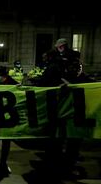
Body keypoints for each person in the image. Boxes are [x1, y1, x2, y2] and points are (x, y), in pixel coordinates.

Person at [39, 38, 89, 178]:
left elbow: (44, 83)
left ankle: (58, 165)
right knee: (67, 138)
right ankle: (62, 165)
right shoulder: (68, 66)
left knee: (61, 138)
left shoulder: (58, 66)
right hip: (71, 107)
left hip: (64, 107)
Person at [0, 65, 18, 177]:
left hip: (8, 117)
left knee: (6, 142)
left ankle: (3, 163)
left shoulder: (12, 83)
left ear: (4, 76)